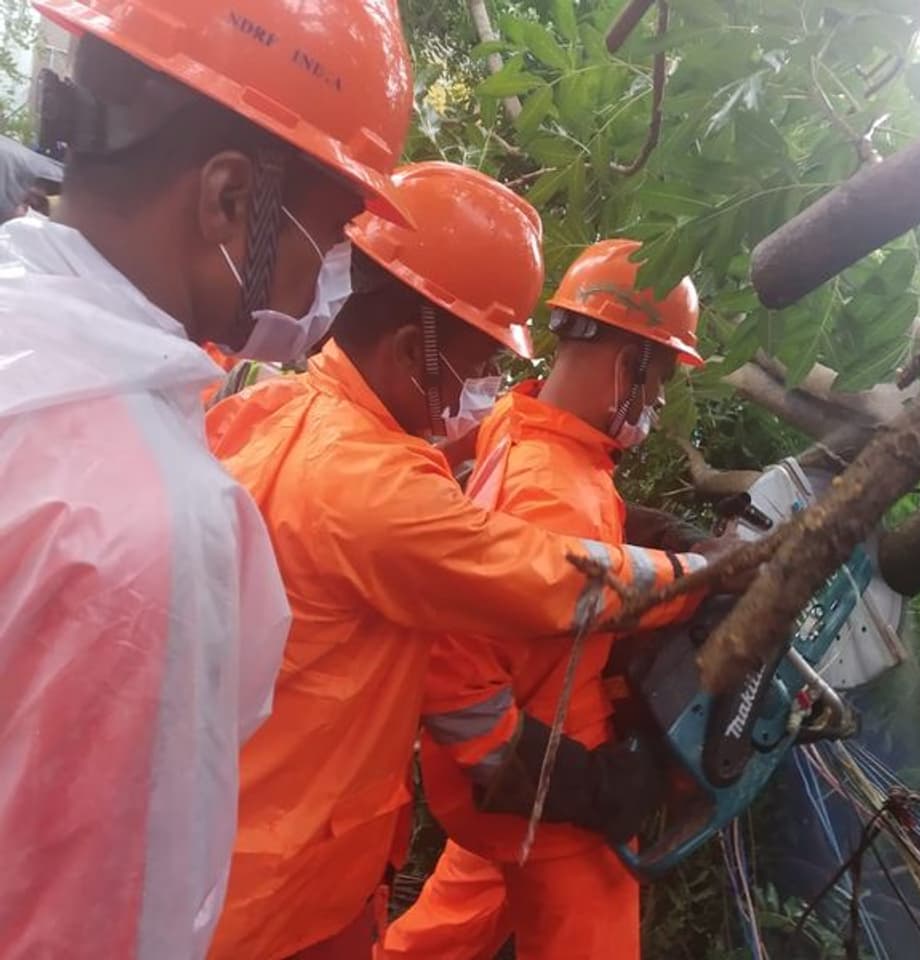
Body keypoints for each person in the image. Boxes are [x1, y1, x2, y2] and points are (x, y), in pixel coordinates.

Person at [205, 165, 724, 960]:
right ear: (415, 349)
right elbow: (541, 578)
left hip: (238, 833)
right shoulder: (374, 486)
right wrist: (707, 575)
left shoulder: (273, 410)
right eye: (479, 366)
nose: (485, 390)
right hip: (289, 887)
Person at [0, 1, 412, 957]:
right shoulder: (147, 533)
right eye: (333, 231)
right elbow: (104, 926)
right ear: (230, 201)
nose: (334, 278)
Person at [378, 239, 704, 960]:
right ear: (632, 364)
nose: (653, 403)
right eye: (658, 384)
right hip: (545, 789)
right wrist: (558, 780)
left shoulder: (519, 425)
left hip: (510, 786)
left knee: (446, 928)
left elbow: (574, 539)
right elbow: (457, 657)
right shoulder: (558, 491)